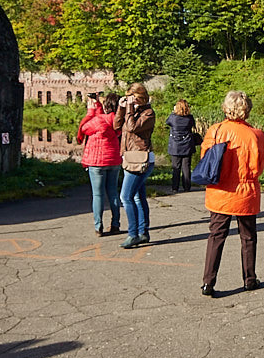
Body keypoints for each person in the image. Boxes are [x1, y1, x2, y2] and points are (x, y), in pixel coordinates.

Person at [199, 90, 264, 296]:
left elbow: (206, 159)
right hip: (246, 191)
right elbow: (260, 165)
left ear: (226, 108)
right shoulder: (256, 135)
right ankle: (249, 279)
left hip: (220, 191)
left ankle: (208, 282)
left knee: (216, 236)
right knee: (248, 237)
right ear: (247, 110)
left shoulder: (216, 130)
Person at [114, 82, 156, 249]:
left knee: (126, 197)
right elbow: (116, 126)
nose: (132, 101)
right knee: (138, 197)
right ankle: (143, 232)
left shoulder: (148, 113)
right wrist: (121, 108)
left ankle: (133, 234)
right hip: (130, 158)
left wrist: (130, 108)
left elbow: (132, 127)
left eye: (134, 98)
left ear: (141, 97)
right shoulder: (132, 111)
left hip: (140, 160)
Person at [76, 92, 122, 236]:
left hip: (97, 162)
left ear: (106, 105)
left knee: (98, 195)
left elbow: (83, 128)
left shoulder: (98, 121)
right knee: (113, 193)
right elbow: (108, 118)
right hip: (114, 160)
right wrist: (97, 106)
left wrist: (90, 111)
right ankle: (115, 224)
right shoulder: (119, 121)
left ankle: (98, 226)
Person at [166, 99, 197, 193]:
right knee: (186, 167)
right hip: (187, 144)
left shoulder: (173, 118)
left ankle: (175, 187)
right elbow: (193, 125)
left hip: (175, 145)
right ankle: (187, 187)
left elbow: (167, 122)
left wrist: (173, 111)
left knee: (176, 167)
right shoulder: (190, 118)